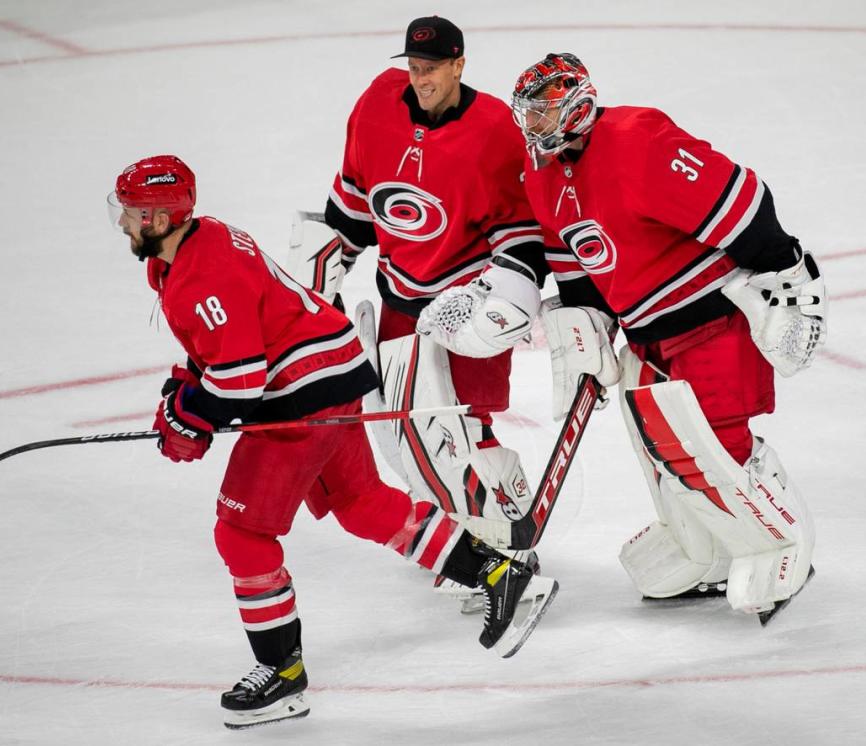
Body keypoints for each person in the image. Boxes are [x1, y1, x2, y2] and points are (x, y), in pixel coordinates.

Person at [107, 155, 559, 729]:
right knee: (362, 504)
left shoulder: (202, 275)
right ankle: (499, 574)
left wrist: (189, 417)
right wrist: (185, 396)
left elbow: (241, 381)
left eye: (134, 214)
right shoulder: (195, 245)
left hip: (305, 396)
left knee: (241, 532)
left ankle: (282, 676)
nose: (124, 224)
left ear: (165, 218)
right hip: (331, 372)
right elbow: (226, 351)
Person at [427, 53, 827, 622]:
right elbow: (574, 262)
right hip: (645, 335)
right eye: (528, 115)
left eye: (541, 113)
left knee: (717, 445)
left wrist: (787, 271)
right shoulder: (543, 173)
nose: (531, 126)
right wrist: (587, 324)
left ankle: (780, 544)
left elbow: (740, 203)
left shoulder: (639, 139)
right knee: (663, 450)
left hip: (709, 321)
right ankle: (703, 551)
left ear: (576, 103)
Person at [321, 16, 550, 609]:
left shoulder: (496, 127)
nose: (419, 80)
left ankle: (514, 541)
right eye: (413, 68)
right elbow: (352, 205)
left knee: (467, 428)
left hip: (468, 300)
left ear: (459, 65)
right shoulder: (376, 104)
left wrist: (505, 298)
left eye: (431, 69)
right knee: (413, 437)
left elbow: (522, 233)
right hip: (400, 298)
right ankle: (467, 543)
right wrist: (323, 279)